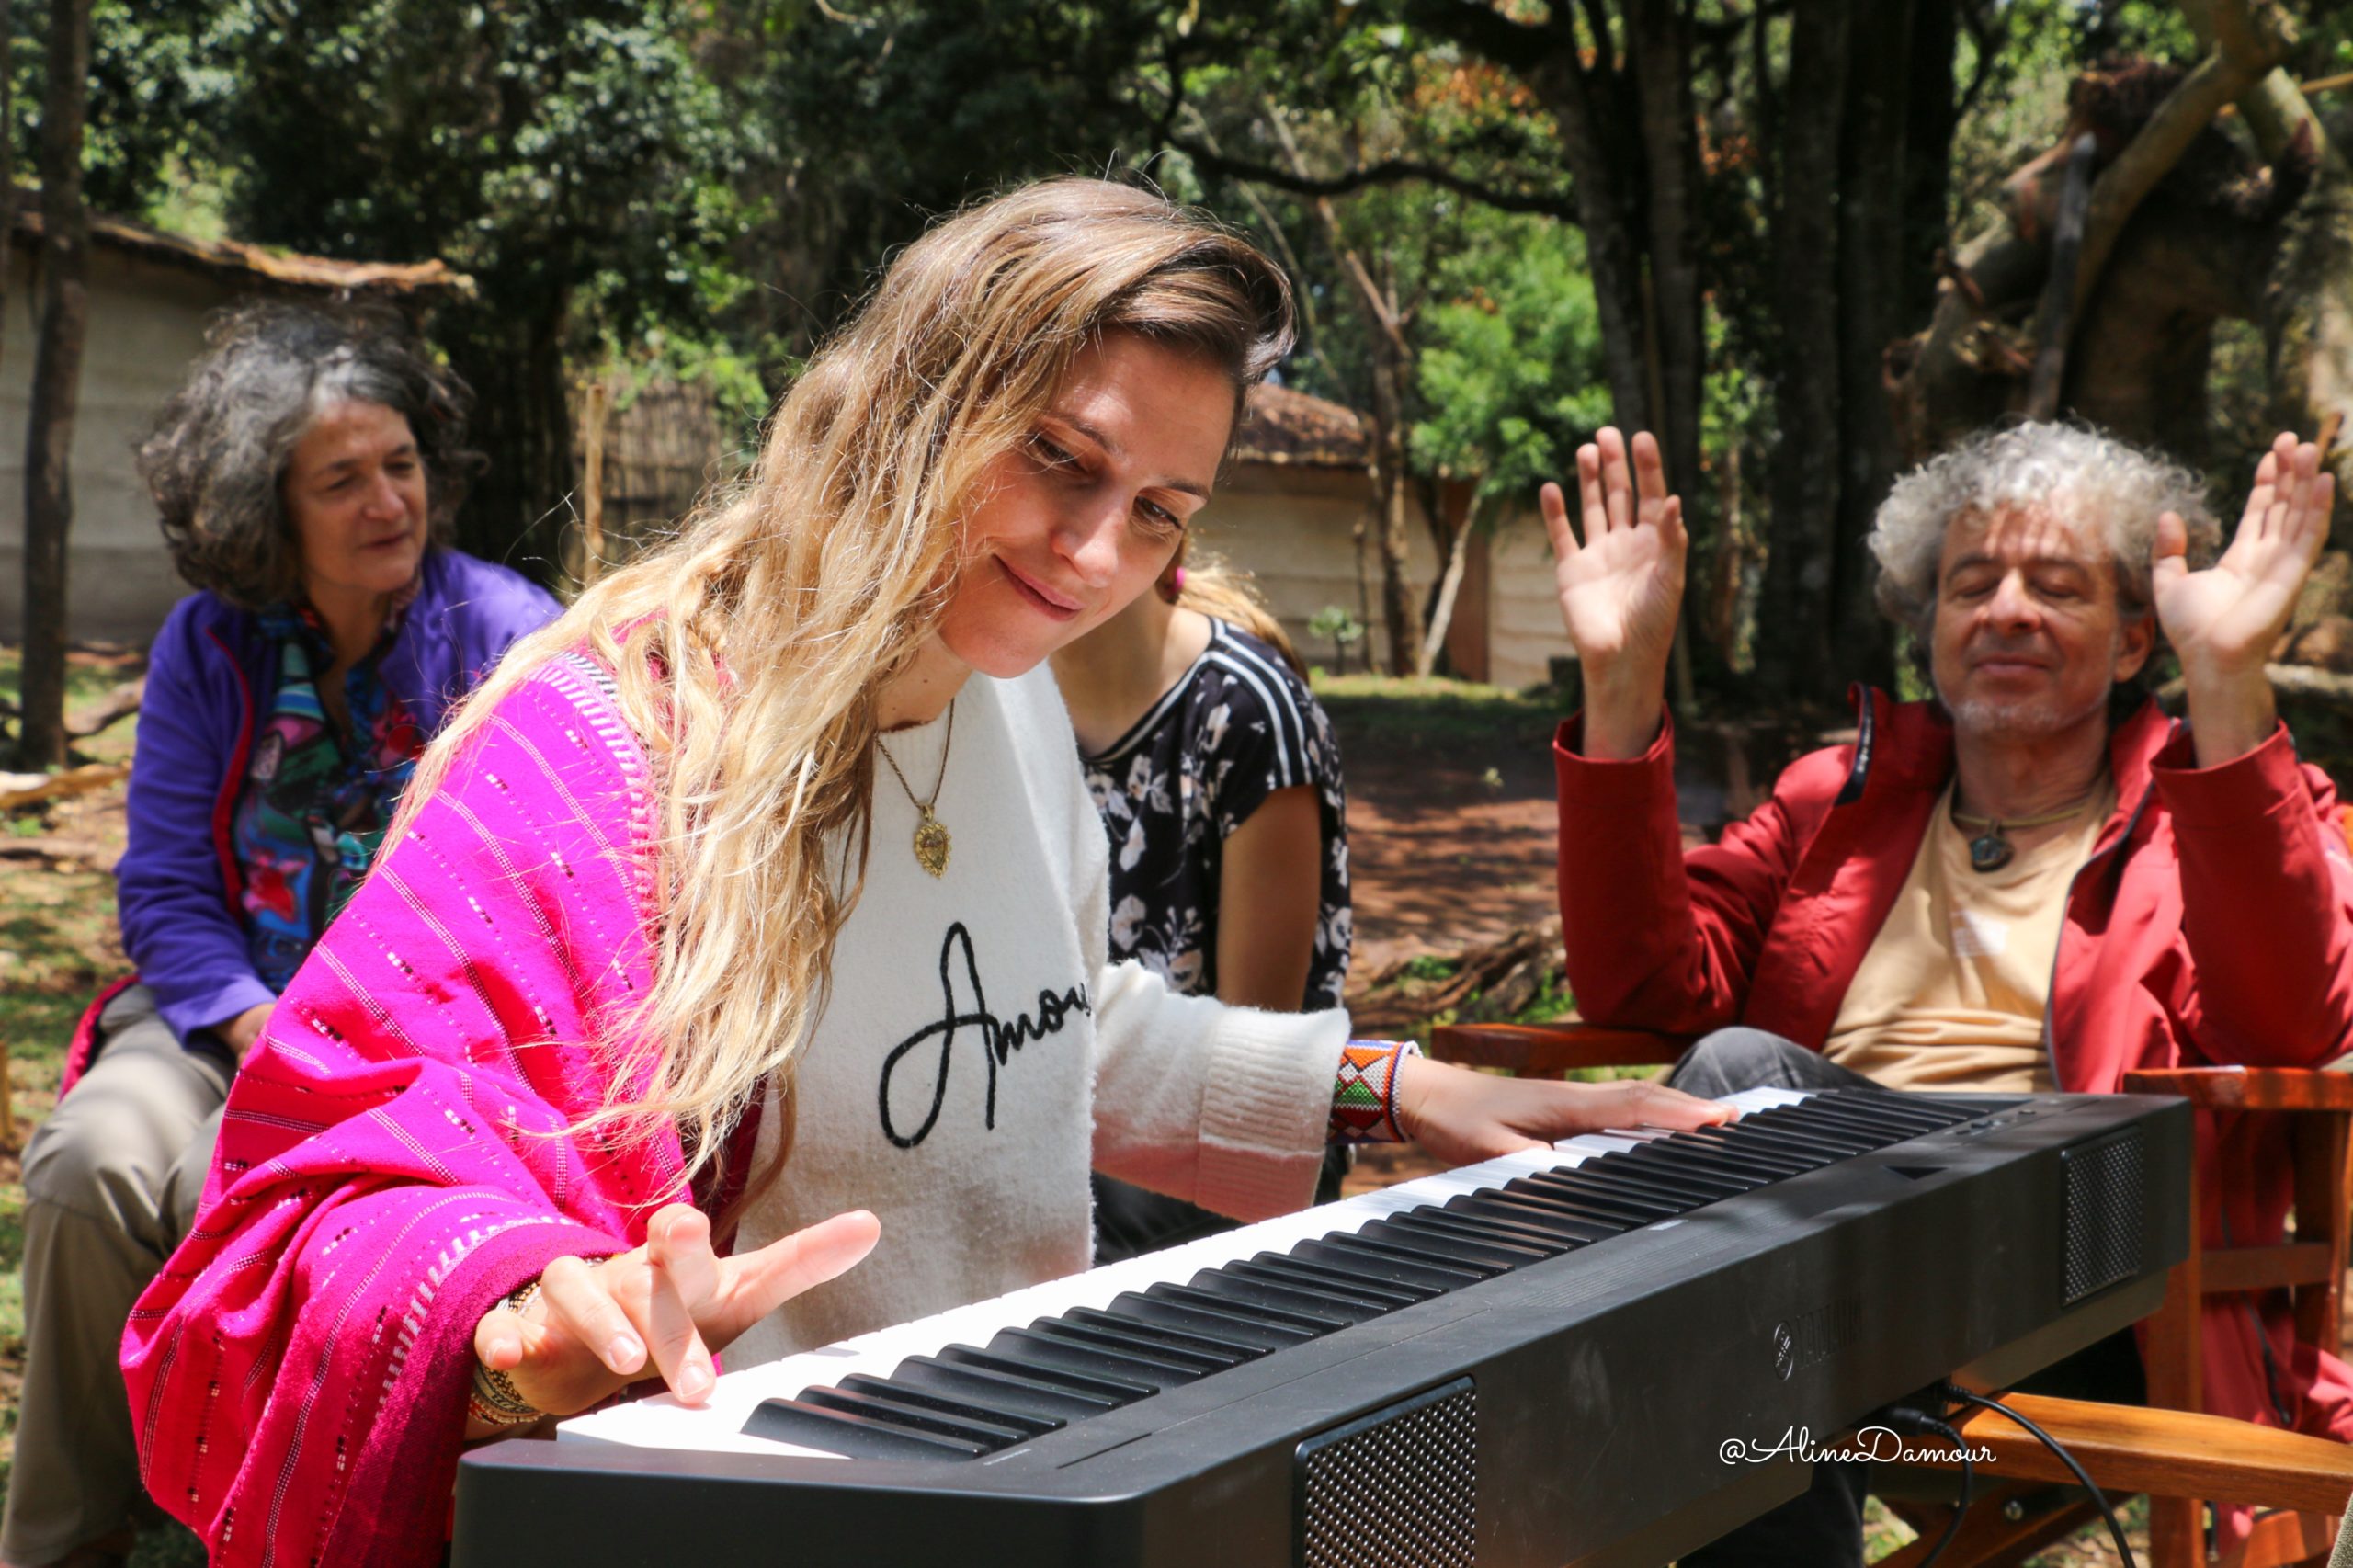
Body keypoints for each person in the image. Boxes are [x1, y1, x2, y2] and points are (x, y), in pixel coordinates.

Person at [120, 180, 1727, 1568]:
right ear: (913, 393)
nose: (1098, 555)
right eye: (1059, 460)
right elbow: (312, 1199)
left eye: (1161, 513)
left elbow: (1052, 1036)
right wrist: (524, 1307)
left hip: (1040, 1483)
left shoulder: (1004, 687)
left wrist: (1393, 1090)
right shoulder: (609, 744)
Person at [1544, 420, 2353, 1564]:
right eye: (1973, 582)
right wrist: (1621, 684)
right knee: (1730, 1318)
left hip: (2090, 1280)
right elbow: (1638, 981)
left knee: (1732, 1090)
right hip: (1806, 1273)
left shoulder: (2207, 815)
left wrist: (2227, 686)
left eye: (2057, 585)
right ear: (1929, 627)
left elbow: (2291, 1028)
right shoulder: (1838, 800)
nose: (2008, 608)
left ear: (2134, 642)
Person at [2, 303, 558, 1568]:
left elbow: (529, 906)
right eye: (342, 479)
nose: (387, 501)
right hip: (221, 1013)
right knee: (88, 1163)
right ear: (270, 508)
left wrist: (319, 1047)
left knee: (227, 1191)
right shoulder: (211, 644)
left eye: (402, 464)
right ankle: (66, 1542)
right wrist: (257, 1023)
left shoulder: (508, 638)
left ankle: (250, 1529)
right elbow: (163, 893)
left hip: (416, 1055)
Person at [1051, 545, 1351, 1261]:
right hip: (1065, 1114)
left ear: (1169, 537)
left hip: (1245, 1115)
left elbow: (1258, 1057)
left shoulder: (1246, 711)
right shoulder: (993, 693)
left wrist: (1402, 1096)